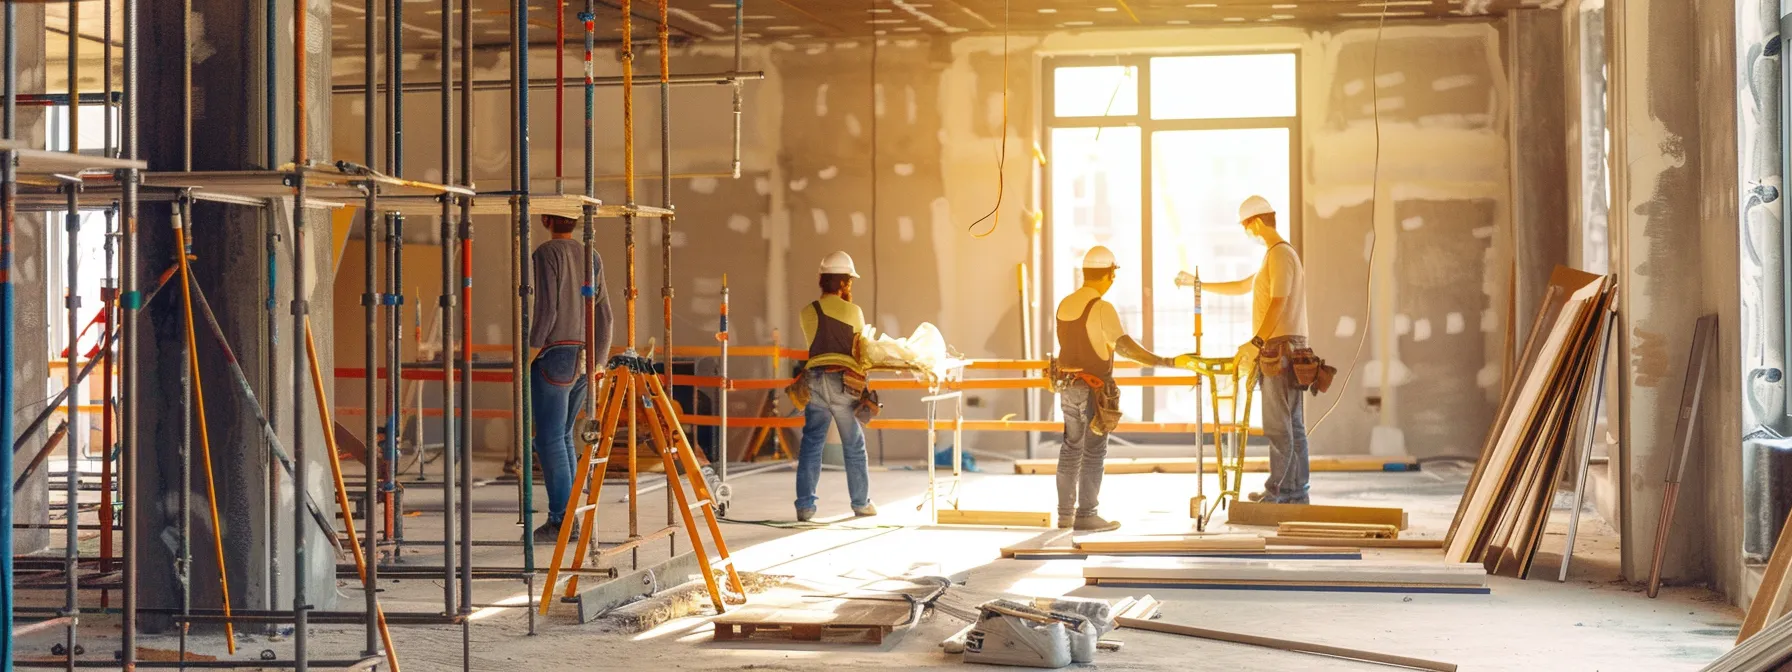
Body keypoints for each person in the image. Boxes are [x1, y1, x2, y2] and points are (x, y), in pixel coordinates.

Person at [1181, 196, 1311, 504]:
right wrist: (1198, 283)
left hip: (1280, 348)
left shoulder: (1279, 255)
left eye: (1245, 226)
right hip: (1285, 346)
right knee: (1291, 424)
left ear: (1254, 222)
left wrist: (1255, 344)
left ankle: (1281, 494)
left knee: (1280, 426)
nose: (1246, 233)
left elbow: (1278, 302)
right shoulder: (1275, 256)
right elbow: (1242, 286)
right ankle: (1293, 492)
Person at [1054, 246, 1189, 532]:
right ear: (1110, 274)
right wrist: (1162, 360)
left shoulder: (1065, 304)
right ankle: (1087, 514)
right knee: (1093, 452)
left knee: (1070, 449)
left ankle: (1064, 515)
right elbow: (1124, 346)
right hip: (1094, 393)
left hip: (1068, 388)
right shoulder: (1102, 308)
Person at [527, 214, 613, 542]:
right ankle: (573, 516)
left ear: (547, 219)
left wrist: (528, 352)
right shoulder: (591, 254)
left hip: (557, 354)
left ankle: (562, 519)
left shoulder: (547, 253)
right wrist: (599, 361)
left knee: (548, 438)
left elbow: (546, 311)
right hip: (585, 356)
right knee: (563, 436)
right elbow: (605, 314)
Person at [793, 251, 877, 522]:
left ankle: (805, 507)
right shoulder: (854, 311)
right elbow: (860, 352)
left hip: (814, 381)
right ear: (845, 282)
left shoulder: (807, 312)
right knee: (853, 445)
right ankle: (861, 503)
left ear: (822, 279)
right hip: (843, 384)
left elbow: (815, 347)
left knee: (811, 445)